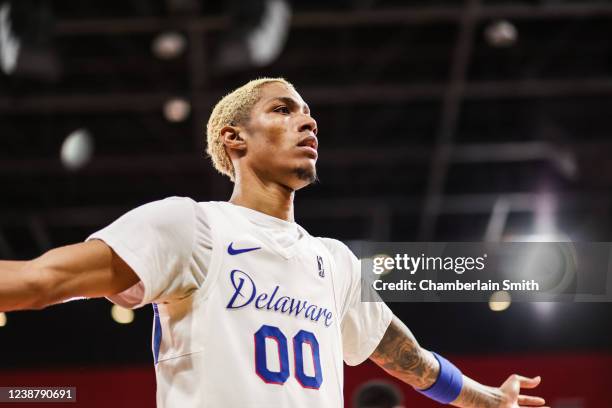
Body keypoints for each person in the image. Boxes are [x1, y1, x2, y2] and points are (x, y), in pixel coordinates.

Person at [0, 78, 547, 408]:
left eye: (308, 113)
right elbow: (41, 281)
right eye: (283, 109)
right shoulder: (191, 227)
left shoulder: (334, 262)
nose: (307, 122)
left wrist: (490, 399)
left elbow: (411, 361)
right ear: (232, 138)